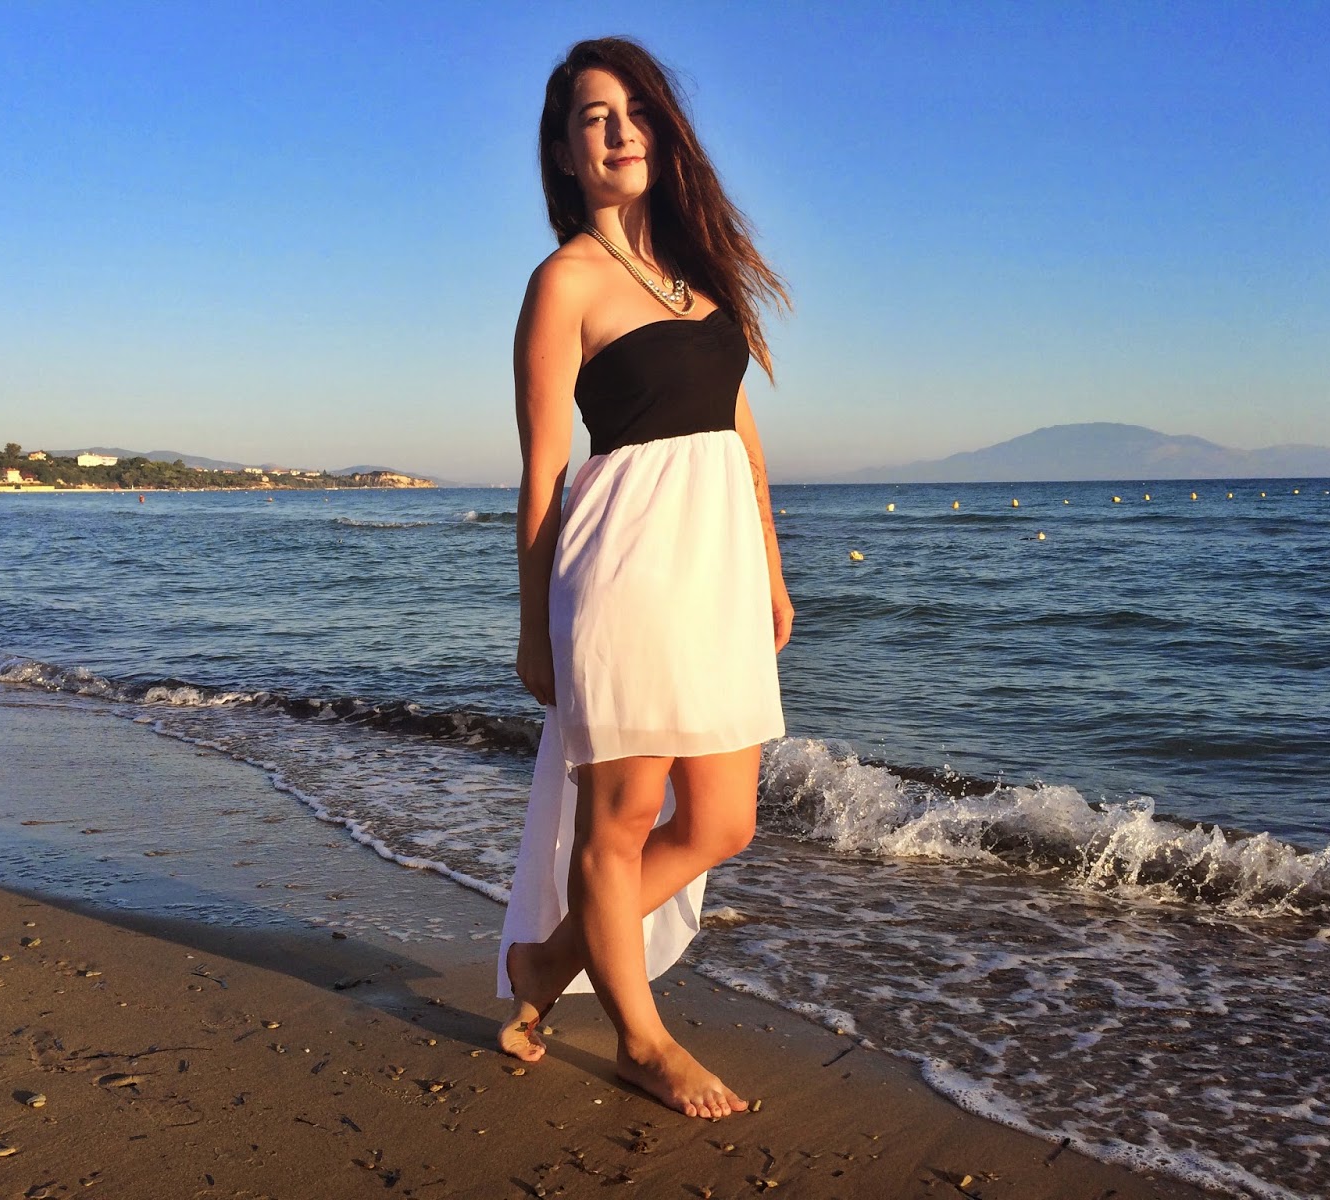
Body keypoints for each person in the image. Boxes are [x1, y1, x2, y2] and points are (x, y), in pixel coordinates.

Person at [496, 36, 792, 1122]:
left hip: (717, 573)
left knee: (722, 822)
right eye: (593, 116)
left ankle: (546, 963)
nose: (618, 132)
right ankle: (640, 1041)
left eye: (635, 112)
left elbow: (741, 440)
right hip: (623, 567)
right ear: (564, 151)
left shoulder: (701, 281)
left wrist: (770, 569)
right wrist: (534, 626)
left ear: (663, 134)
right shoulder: (564, 282)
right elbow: (541, 472)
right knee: (617, 819)